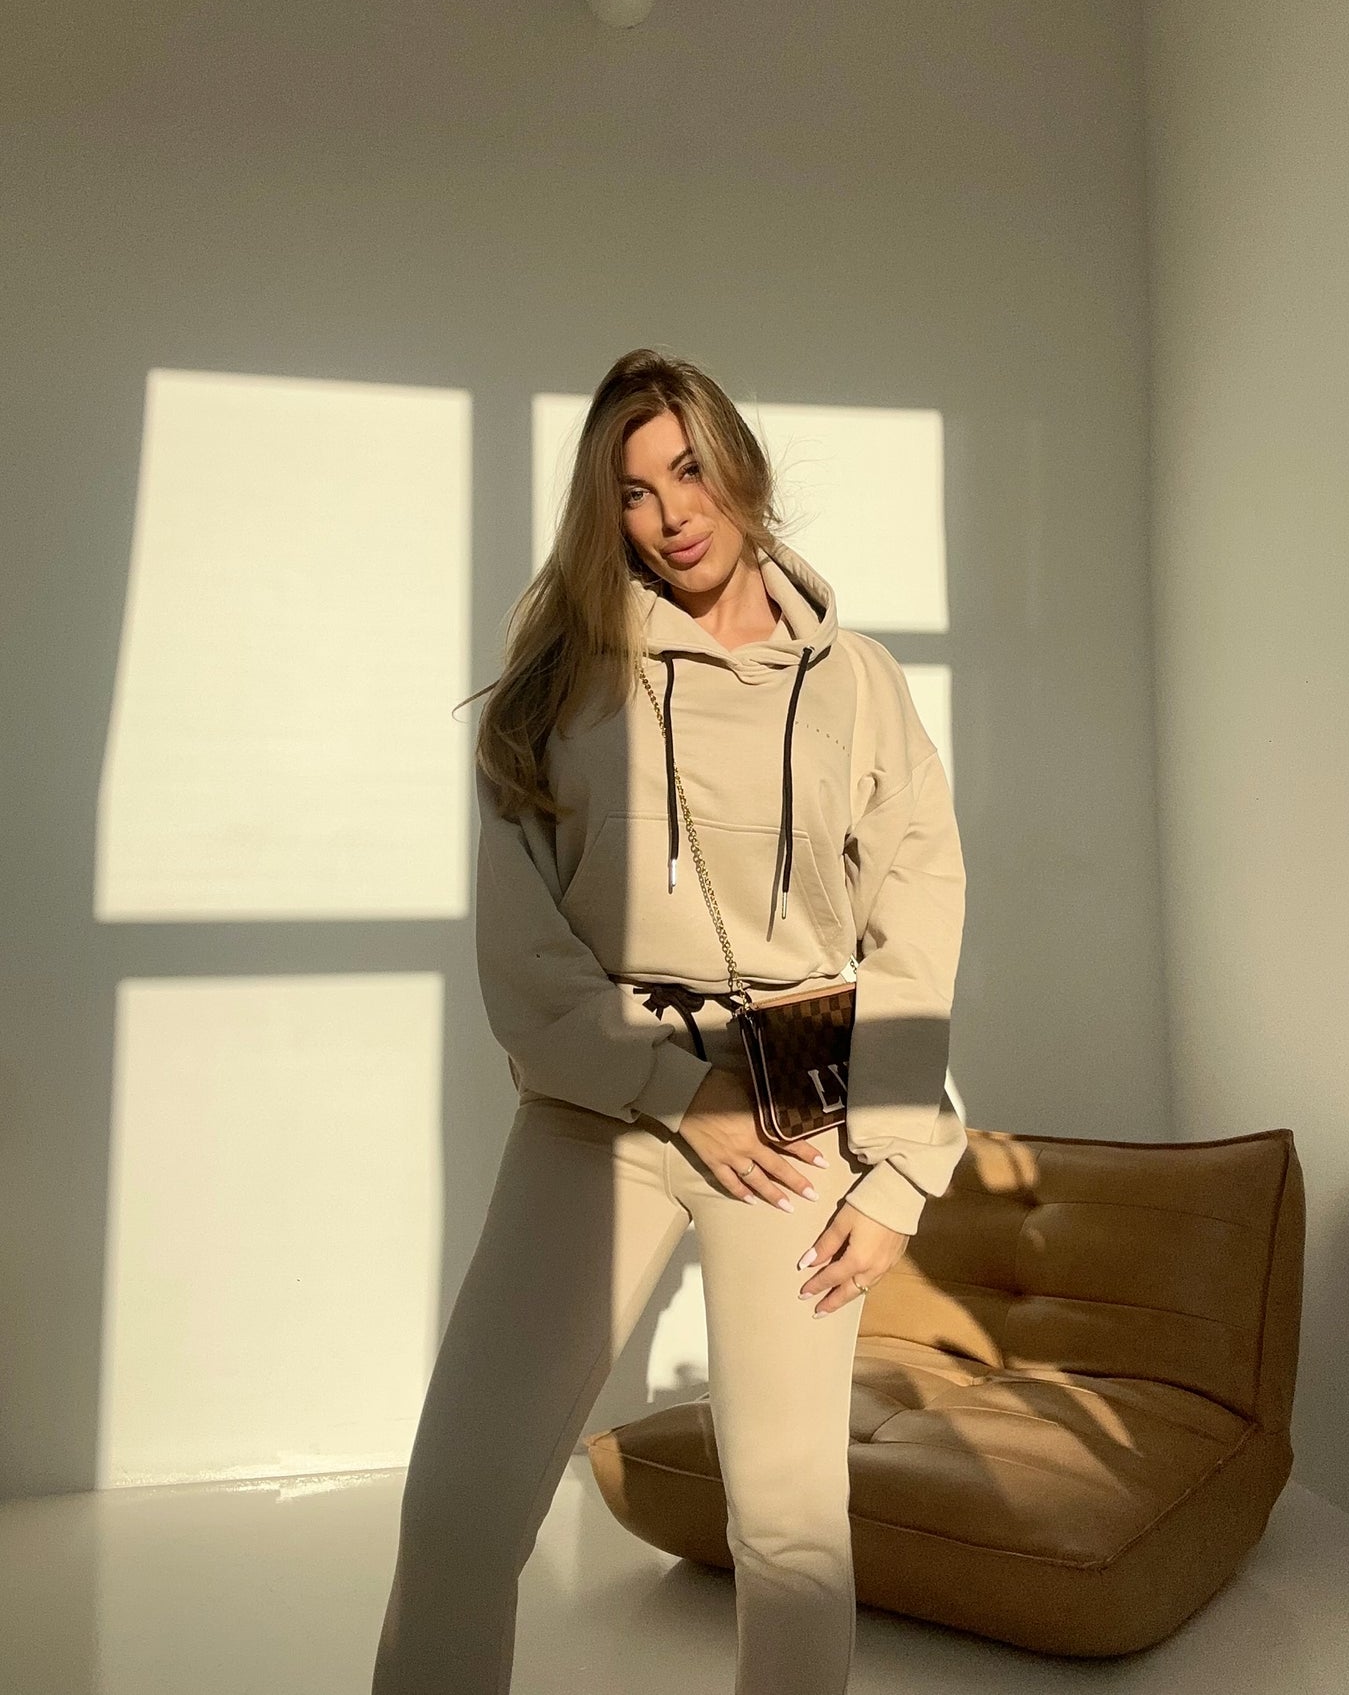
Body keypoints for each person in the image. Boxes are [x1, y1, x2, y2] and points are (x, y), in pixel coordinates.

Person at [371, 347, 968, 1695]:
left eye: (689, 470)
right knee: (460, 1503)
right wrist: (675, 1085)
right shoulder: (559, 684)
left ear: (738, 465)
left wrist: (898, 1172)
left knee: (792, 1529)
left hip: (795, 1099)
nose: (670, 513)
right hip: (602, 1105)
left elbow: (916, 922)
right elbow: (524, 958)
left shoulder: (859, 681)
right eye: (631, 493)